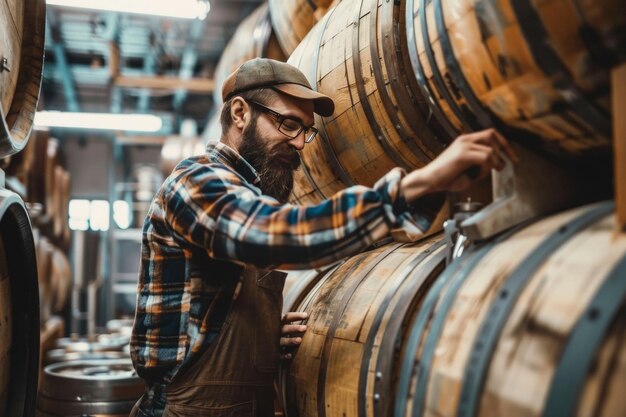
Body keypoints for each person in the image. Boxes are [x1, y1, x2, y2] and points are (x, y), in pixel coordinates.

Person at [129, 58, 517, 417]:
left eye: (305, 131)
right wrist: (420, 183)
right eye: (288, 124)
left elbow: (208, 306)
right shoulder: (195, 182)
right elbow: (275, 236)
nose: (299, 143)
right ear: (240, 113)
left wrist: (261, 337)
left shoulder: (247, 196)